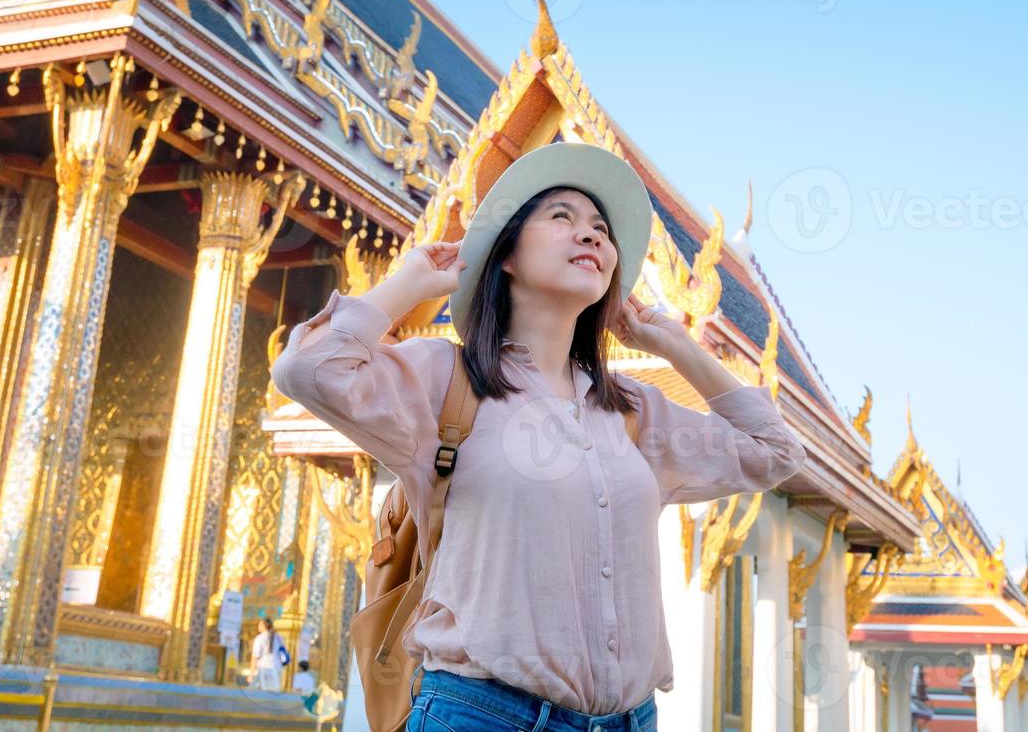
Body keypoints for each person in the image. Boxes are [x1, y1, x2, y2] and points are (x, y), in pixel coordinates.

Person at [271, 141, 807, 731]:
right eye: (562, 218)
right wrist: (410, 282)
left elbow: (775, 453)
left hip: (629, 720)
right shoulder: (444, 381)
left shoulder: (630, 411)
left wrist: (676, 344)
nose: (592, 236)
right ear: (507, 257)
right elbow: (307, 368)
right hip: (482, 714)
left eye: (601, 229)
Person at [249, 617, 285, 691]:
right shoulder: (279, 638)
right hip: (276, 669)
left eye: (259, 625)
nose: (258, 627)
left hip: (263, 669)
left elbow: (255, 657)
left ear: (263, 626)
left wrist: (251, 674)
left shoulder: (260, 638)